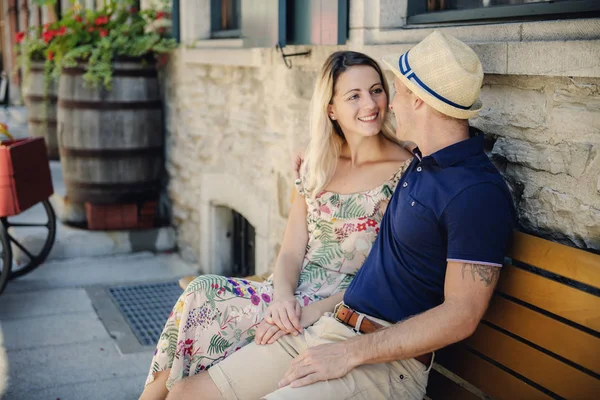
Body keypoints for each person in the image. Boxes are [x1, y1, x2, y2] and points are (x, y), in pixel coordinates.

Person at [165, 30, 516, 400]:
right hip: (331, 329)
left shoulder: (475, 193)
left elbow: (462, 314)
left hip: (385, 360)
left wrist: (349, 352)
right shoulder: (424, 163)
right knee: (187, 394)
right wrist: (318, 151)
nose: (389, 106)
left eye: (394, 92)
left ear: (420, 102)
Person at [139, 51, 414, 400]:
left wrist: (307, 311)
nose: (370, 104)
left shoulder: (403, 174)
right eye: (354, 96)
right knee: (199, 294)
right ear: (331, 109)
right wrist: (283, 299)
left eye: (376, 90)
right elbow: (290, 252)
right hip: (289, 296)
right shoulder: (317, 166)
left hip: (340, 312)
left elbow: (383, 276)